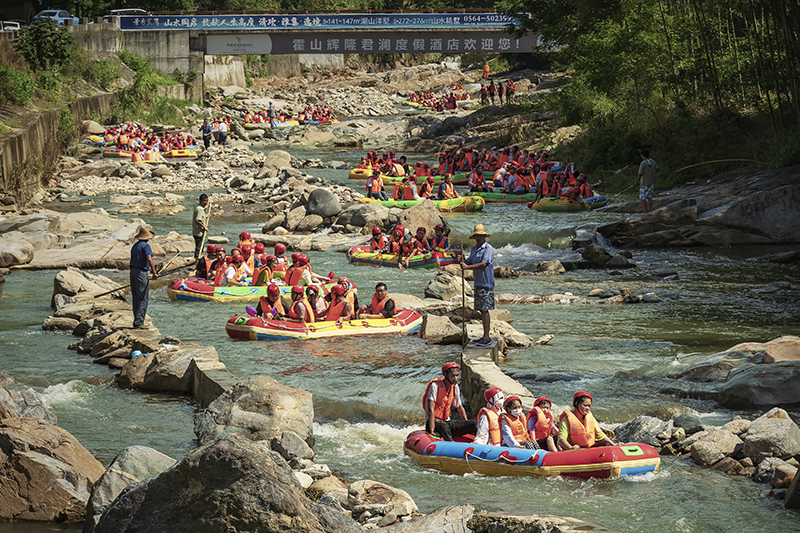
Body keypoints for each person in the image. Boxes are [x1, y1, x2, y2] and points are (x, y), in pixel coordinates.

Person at [460, 224, 495, 346]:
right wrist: (464, 260)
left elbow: (484, 264)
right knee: (481, 309)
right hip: (478, 282)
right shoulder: (474, 249)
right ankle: (484, 336)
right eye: (477, 236)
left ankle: (486, 337)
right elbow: (470, 261)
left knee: (485, 310)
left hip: (486, 283)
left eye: (481, 235)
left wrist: (468, 267)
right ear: (475, 237)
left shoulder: (488, 249)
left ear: (484, 236)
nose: (479, 238)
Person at [423, 362, 476, 441]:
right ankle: (452, 446)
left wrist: (466, 424)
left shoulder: (455, 387)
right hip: (434, 422)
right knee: (444, 427)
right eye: (453, 376)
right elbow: (431, 410)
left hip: (446, 422)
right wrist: (432, 431)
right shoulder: (435, 386)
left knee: (474, 423)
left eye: (457, 375)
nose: (455, 378)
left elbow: (460, 407)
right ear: (446, 375)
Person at [129, 227, 158, 329]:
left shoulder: (135, 246)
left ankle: (136, 320)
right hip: (141, 273)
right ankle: (139, 322)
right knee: (142, 297)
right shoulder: (146, 246)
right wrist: (154, 272)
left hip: (133, 272)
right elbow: (149, 258)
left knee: (136, 296)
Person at [192, 194, 209, 260]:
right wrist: (204, 227)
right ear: (200, 201)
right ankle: (197, 263)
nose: (206, 202)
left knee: (200, 248)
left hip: (197, 232)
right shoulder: (200, 209)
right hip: (199, 232)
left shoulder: (199, 208)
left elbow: (201, 217)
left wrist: (205, 216)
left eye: (207, 201)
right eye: (204, 201)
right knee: (199, 249)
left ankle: (197, 262)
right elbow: (197, 220)